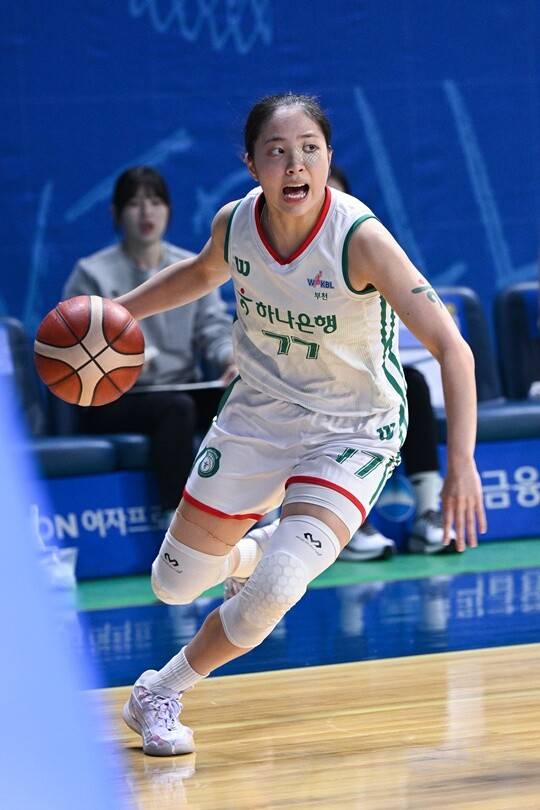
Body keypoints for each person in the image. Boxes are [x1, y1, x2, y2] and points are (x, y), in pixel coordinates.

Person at [116, 93, 486, 756]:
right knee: (173, 585)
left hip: (354, 425)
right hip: (260, 415)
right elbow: (199, 272)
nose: (295, 164)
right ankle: (252, 553)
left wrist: (461, 463)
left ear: (328, 157)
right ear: (251, 164)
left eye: (310, 149)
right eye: (278, 151)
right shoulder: (236, 224)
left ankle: (159, 692)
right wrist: (118, 313)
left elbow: (452, 349)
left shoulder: (360, 239)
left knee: (279, 588)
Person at [63, 167, 236, 520]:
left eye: (155, 202)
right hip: (116, 398)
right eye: (135, 204)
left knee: (243, 396)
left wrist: (230, 361)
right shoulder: (90, 273)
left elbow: (213, 329)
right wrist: (119, 359)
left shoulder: (191, 268)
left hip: (183, 387)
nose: (146, 213)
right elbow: (72, 345)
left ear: (169, 211)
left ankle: (255, 509)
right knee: (176, 409)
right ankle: (177, 519)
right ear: (116, 213)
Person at [327, 166, 457, 556]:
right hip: (312, 381)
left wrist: (462, 462)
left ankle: (428, 512)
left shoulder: (370, 249)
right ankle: (341, 520)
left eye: (337, 199)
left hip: (364, 372)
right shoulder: (278, 262)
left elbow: (452, 349)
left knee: (410, 381)